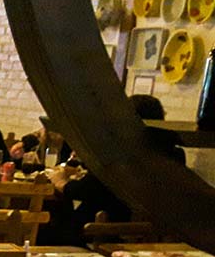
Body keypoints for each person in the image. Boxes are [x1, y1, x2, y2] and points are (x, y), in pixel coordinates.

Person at [43, 94, 185, 245]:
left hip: (105, 228)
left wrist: (62, 182)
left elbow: (87, 190)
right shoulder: (174, 153)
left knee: (48, 226)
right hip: (153, 231)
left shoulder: (120, 152)